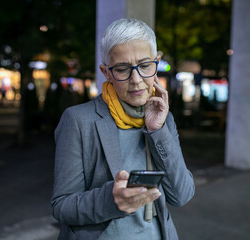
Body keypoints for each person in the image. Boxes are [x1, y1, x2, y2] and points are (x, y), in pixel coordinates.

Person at [51, 18, 195, 240]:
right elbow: (62, 206)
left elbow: (181, 195)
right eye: (122, 69)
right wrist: (111, 200)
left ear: (157, 62)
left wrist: (157, 131)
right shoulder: (78, 120)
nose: (136, 80)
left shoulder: (164, 119)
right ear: (106, 72)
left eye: (145, 66)